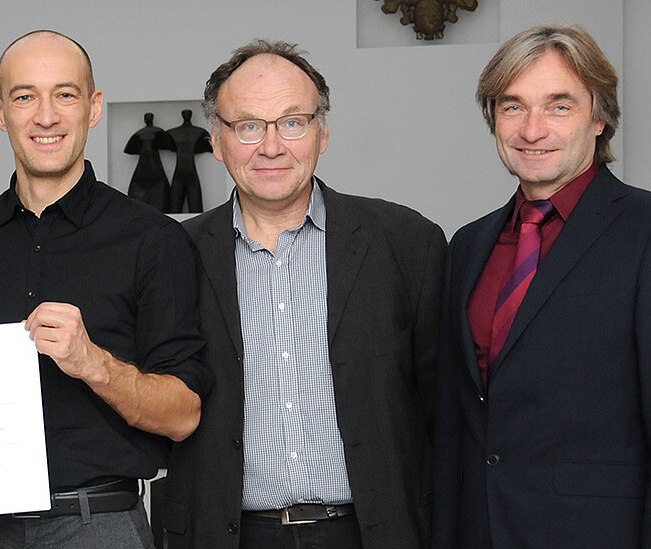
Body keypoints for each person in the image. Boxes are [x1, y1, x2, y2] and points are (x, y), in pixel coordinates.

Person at [0, 30, 210, 548]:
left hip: (98, 525)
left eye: (65, 94)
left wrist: (93, 363)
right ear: (0, 113)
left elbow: (184, 416)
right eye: (25, 97)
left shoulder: (153, 240)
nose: (46, 116)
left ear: (94, 107)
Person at [432, 24, 651, 548]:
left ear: (599, 118)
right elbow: (457, 421)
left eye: (559, 106)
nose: (532, 129)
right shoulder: (469, 245)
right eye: (513, 106)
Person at [163, 39, 446, 549]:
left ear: (322, 133)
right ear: (217, 140)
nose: (272, 146)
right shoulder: (174, 255)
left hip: (374, 533)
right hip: (227, 535)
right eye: (248, 126)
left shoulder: (407, 243)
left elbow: (443, 412)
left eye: (293, 122)